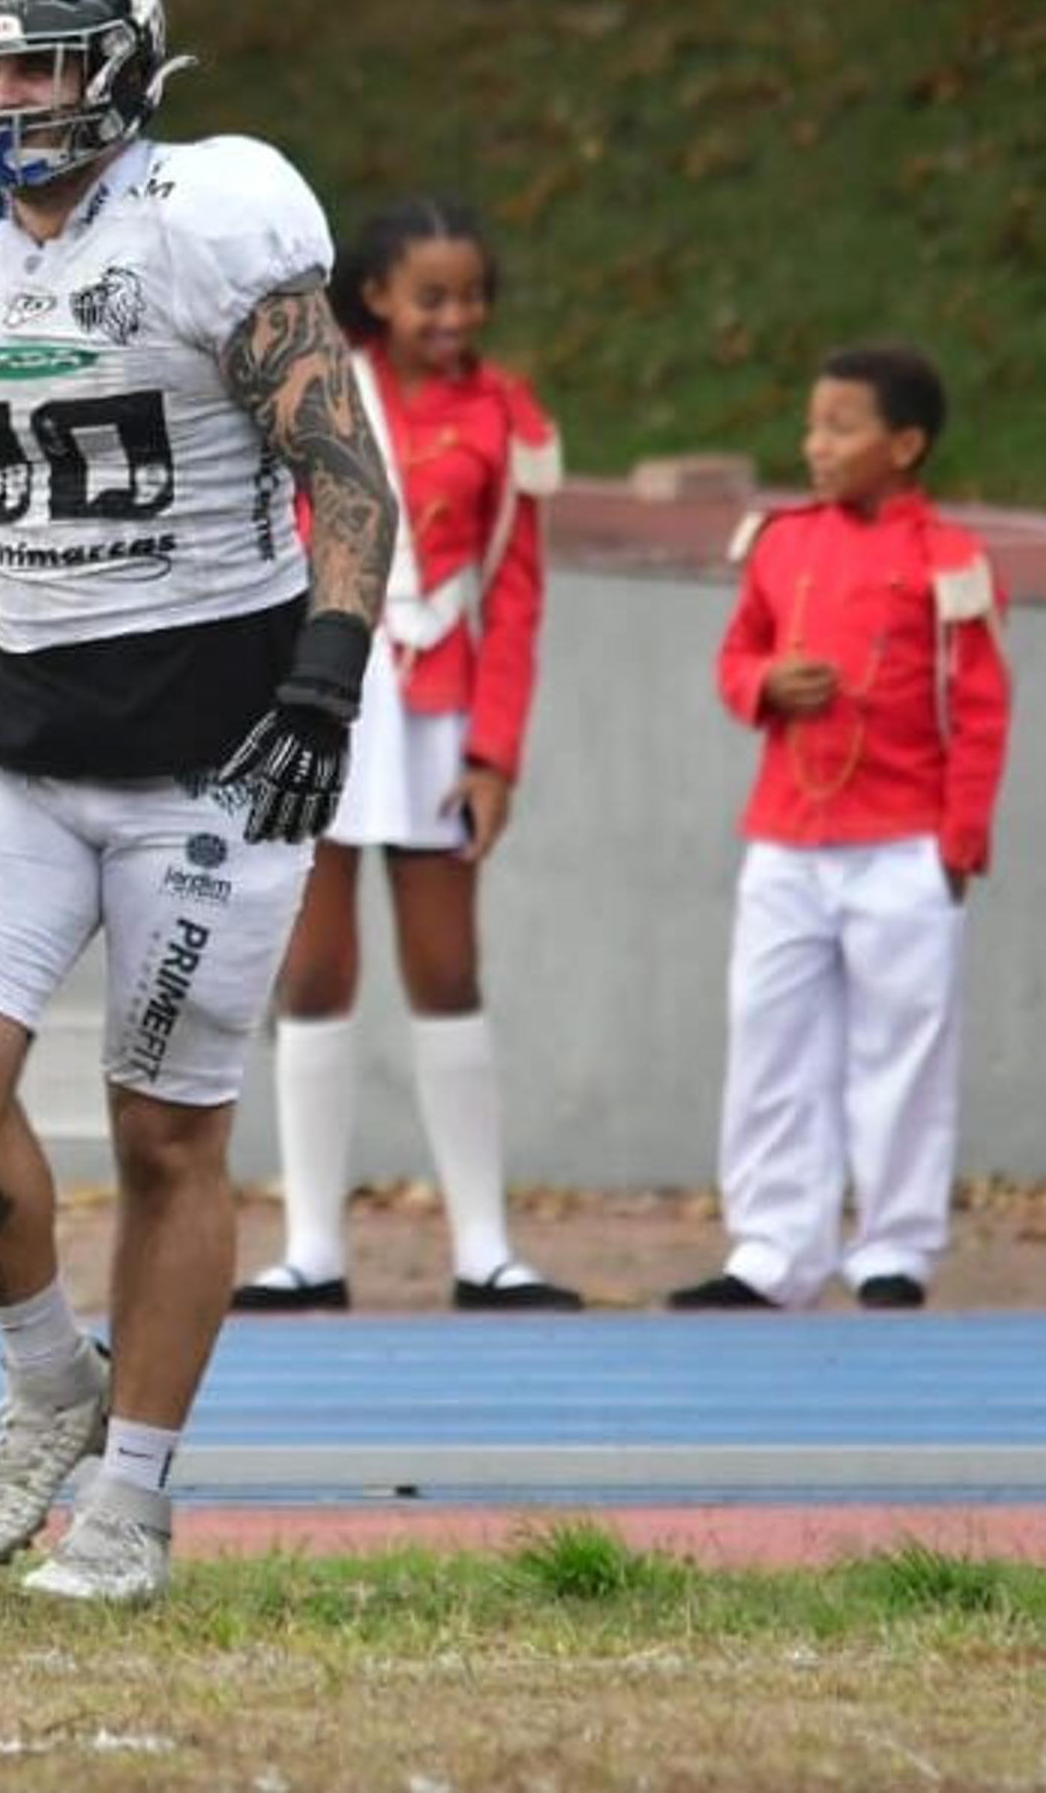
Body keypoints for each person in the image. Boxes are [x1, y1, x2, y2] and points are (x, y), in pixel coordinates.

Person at [0, 0, 398, 1606]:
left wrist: (326, 670)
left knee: (166, 1132)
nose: (6, 94)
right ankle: (44, 1378)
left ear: (124, 71)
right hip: (23, 725)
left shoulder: (213, 221)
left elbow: (347, 468)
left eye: (39, 60)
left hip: (218, 744)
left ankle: (136, 1501)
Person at [234, 199, 580, 1314]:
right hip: (326, 690)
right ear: (375, 294)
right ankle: (311, 1249)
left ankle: (484, 1246)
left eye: (472, 295)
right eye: (431, 296)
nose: (456, 315)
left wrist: (497, 754)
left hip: (440, 705)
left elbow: (516, 598)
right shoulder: (322, 385)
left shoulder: (508, 416)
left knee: (446, 969)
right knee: (316, 968)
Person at [670, 345, 1011, 1312]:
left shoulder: (949, 560)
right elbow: (738, 654)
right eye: (813, 425)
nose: (816, 445)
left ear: (904, 445)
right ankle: (773, 1247)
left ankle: (894, 1246)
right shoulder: (780, 542)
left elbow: (981, 707)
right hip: (785, 837)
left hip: (905, 842)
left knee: (902, 1050)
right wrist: (763, 686)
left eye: (841, 427)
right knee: (771, 1040)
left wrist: (962, 840)